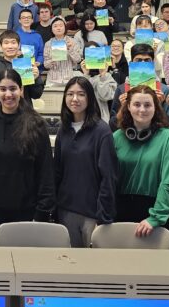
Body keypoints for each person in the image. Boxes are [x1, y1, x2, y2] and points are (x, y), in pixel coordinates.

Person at [0, 69, 54, 237]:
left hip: (29, 212)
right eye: (3, 89)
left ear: (21, 90)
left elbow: (46, 170)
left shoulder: (36, 124)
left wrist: (42, 212)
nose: (8, 94)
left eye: (13, 88)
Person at [113, 85, 169, 247]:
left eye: (147, 105)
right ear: (128, 107)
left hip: (157, 215)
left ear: (156, 108)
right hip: (121, 213)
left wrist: (155, 218)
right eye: (137, 104)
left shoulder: (168, 138)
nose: (142, 109)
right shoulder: (116, 137)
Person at [54, 76, 118, 247]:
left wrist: (103, 217)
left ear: (90, 98)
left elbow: (108, 177)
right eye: (70, 94)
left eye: (81, 94)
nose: (75, 99)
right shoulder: (63, 130)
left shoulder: (102, 131)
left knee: (93, 261)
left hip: (93, 214)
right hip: (66, 210)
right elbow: (57, 172)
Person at [0, 30, 44, 109]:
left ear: (19, 45)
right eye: (6, 43)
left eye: (13, 43)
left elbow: (36, 95)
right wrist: (3, 84)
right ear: (0, 46)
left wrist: (36, 79)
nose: (10, 46)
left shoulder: (26, 66)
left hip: (24, 112)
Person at [44, 16, 83, 87]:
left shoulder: (72, 41)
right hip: (53, 80)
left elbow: (78, 60)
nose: (58, 28)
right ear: (51, 29)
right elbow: (46, 65)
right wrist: (52, 60)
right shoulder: (48, 44)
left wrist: (70, 49)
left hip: (69, 79)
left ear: (65, 27)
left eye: (61, 25)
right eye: (55, 26)